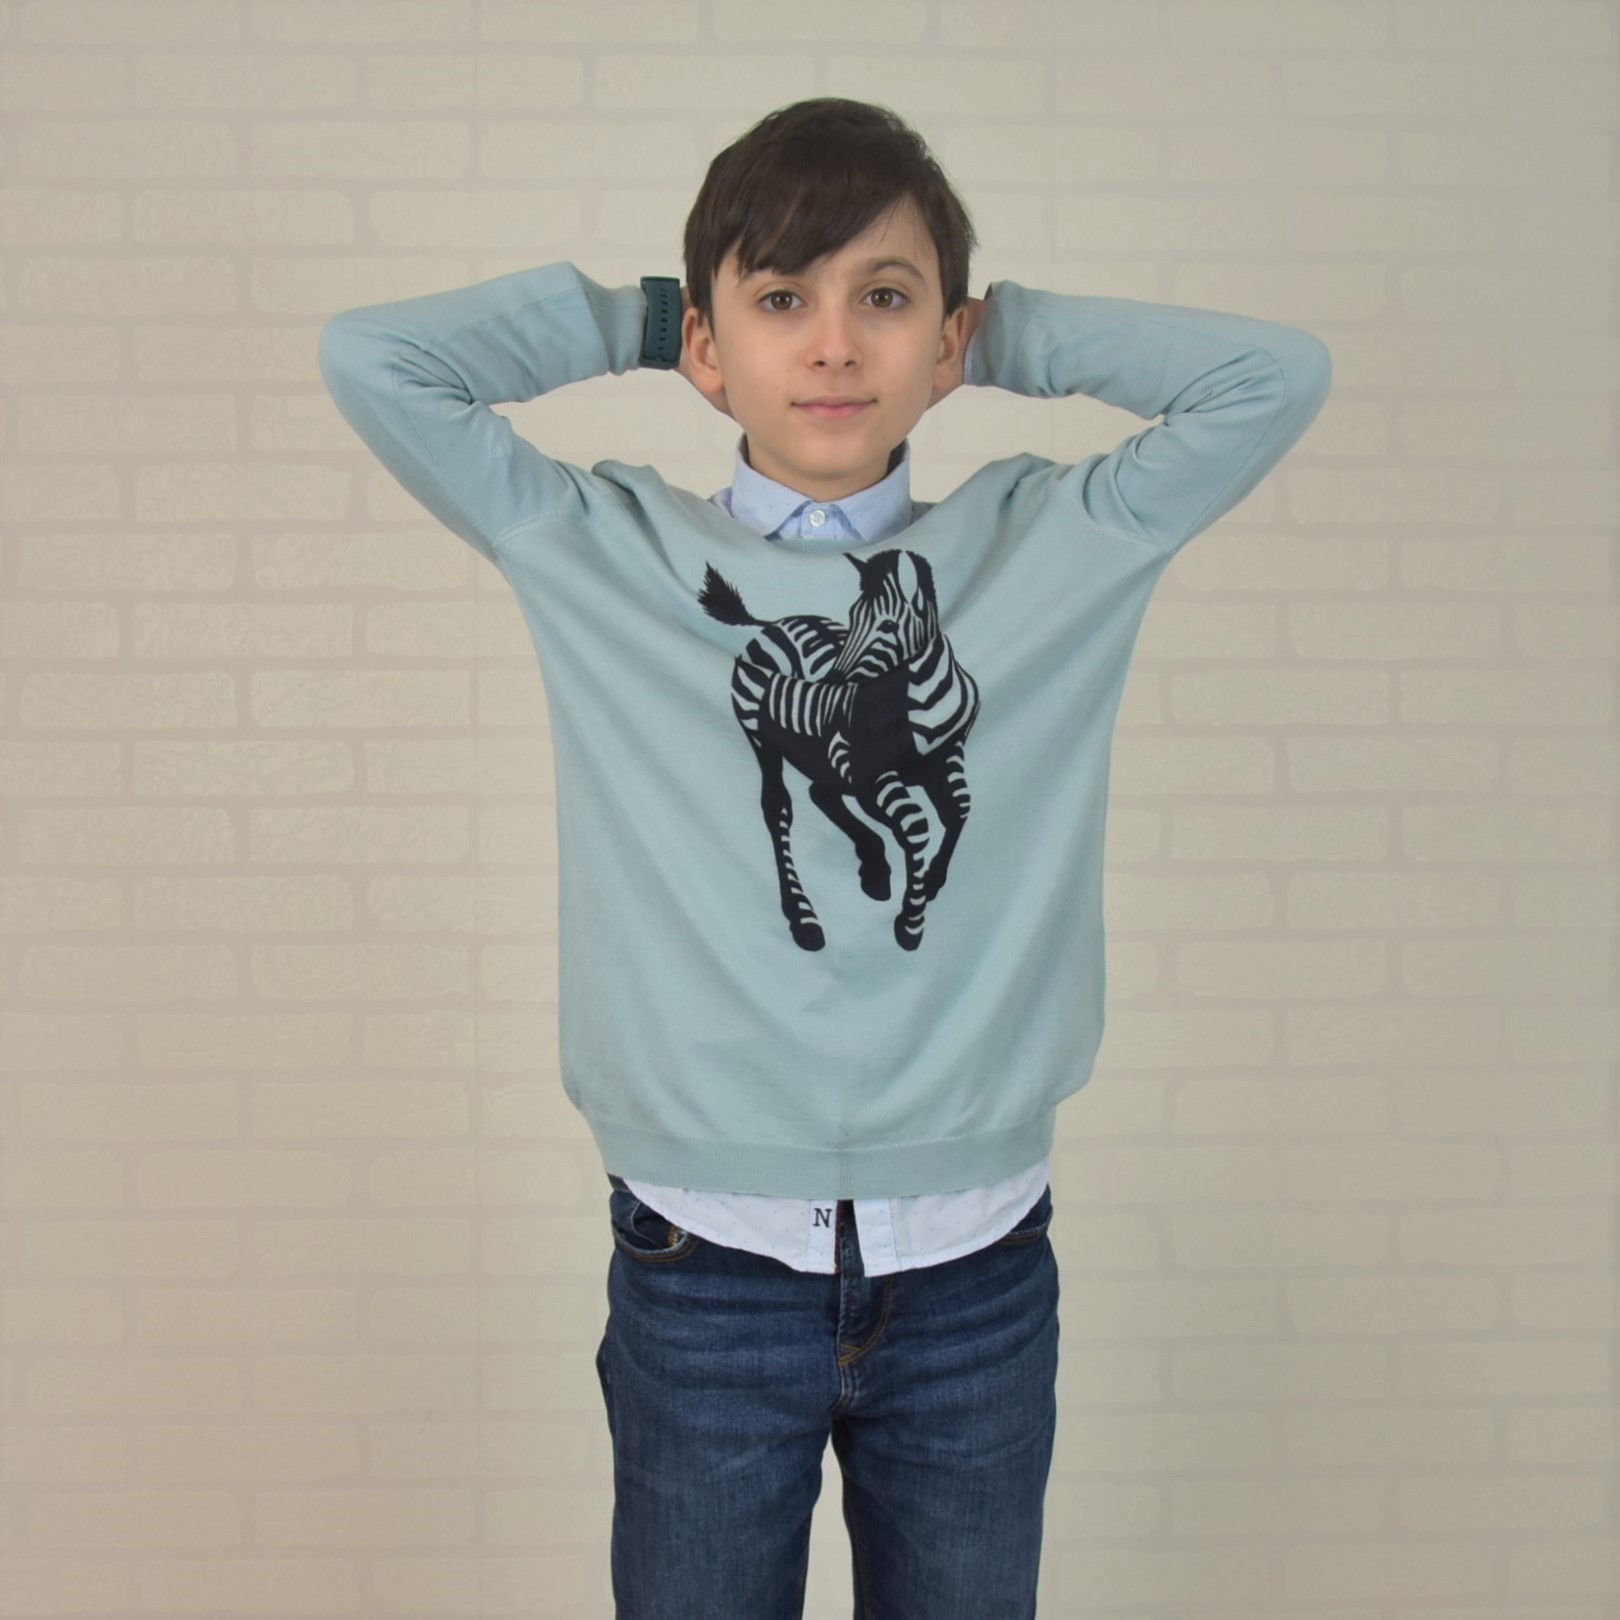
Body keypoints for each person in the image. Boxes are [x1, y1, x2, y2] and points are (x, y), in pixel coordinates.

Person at [318, 95, 1332, 1620]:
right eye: (782, 300)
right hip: (703, 1269)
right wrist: (650, 315)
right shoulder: (599, 549)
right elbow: (372, 361)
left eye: (888, 300)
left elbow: (1275, 379)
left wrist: (993, 335)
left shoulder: (1057, 544)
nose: (837, 347)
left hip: (979, 1273)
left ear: (947, 335)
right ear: (710, 346)